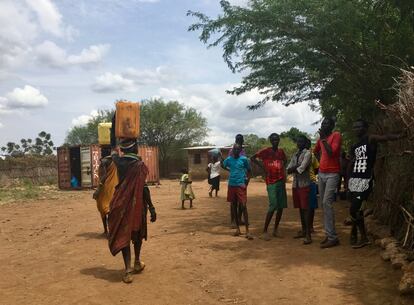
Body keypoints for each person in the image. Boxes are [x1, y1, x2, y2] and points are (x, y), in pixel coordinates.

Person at [347, 119, 406, 248]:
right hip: (354, 180)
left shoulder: (370, 139)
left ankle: (356, 233)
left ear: (365, 128)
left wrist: (400, 136)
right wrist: (348, 181)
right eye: (354, 127)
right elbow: (352, 163)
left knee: (354, 209)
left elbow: (386, 137)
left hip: (365, 180)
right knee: (357, 210)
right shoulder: (354, 146)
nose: (356, 129)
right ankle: (362, 237)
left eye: (359, 126)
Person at [108, 138, 157, 284]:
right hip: (137, 205)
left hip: (121, 204)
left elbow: (112, 152)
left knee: (124, 235)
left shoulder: (118, 161)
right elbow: (144, 188)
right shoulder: (140, 165)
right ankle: (137, 262)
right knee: (137, 233)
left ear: (122, 149)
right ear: (135, 148)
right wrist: (152, 207)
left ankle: (128, 270)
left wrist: (114, 135)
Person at [251, 133, 287, 241]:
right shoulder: (265, 151)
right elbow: (252, 158)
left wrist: (281, 167)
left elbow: (285, 160)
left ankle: (275, 230)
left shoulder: (281, 152)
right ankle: (264, 231)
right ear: (270, 141)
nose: (275, 141)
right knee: (273, 205)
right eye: (273, 140)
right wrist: (263, 166)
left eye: (277, 139)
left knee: (281, 207)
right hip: (271, 182)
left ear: (279, 140)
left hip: (281, 181)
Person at [314, 117, 342, 248]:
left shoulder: (336, 135)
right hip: (322, 173)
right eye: (323, 123)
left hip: (332, 173)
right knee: (324, 205)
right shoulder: (321, 139)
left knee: (326, 202)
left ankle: (333, 237)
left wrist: (323, 139)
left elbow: (331, 153)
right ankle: (329, 233)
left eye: (327, 123)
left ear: (332, 126)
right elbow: (315, 152)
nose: (324, 125)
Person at [222, 143, 253, 239]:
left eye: (237, 149)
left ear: (240, 151)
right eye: (234, 149)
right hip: (232, 185)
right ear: (232, 150)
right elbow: (223, 165)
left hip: (240, 185)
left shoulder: (244, 159)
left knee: (243, 206)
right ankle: (238, 229)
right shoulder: (229, 159)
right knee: (234, 206)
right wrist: (229, 169)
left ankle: (247, 231)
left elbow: (249, 170)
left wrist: (247, 179)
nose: (236, 151)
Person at [287, 135, 312, 244]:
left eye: (301, 141)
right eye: (298, 141)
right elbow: (288, 169)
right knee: (301, 209)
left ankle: (308, 235)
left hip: (304, 185)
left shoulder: (308, 153)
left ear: (305, 143)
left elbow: (301, 169)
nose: (299, 143)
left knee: (305, 209)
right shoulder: (295, 154)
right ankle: (303, 231)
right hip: (296, 185)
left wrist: (295, 167)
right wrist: (296, 167)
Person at [93, 147, 119, 237]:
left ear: (104, 152)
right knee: (110, 208)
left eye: (101, 150)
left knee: (104, 208)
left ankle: (107, 231)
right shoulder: (115, 161)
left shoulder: (104, 161)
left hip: (105, 188)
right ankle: (111, 230)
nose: (100, 152)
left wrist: (98, 189)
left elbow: (103, 176)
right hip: (114, 187)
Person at [306, 138, 319, 233]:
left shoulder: (312, 155)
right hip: (303, 183)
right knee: (305, 206)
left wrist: (311, 175)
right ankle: (307, 227)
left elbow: (316, 168)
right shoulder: (297, 155)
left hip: (310, 182)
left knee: (311, 206)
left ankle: (310, 226)